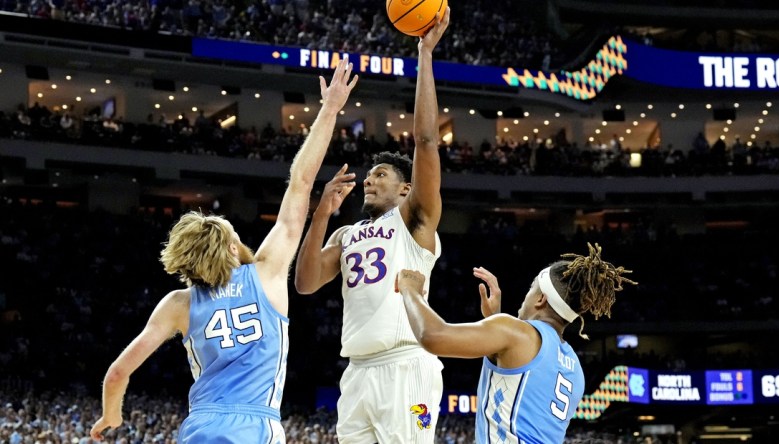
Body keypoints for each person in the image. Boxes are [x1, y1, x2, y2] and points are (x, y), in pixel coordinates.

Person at [89, 58, 359, 443]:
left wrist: (110, 415)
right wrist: (329, 110)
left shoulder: (178, 304)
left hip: (200, 425)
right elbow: (300, 183)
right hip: (256, 425)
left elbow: (117, 373)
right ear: (233, 247)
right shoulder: (266, 273)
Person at [293, 9, 451, 444]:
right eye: (370, 173)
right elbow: (305, 284)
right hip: (358, 371)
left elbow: (426, 142)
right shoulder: (346, 235)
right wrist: (321, 214)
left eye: (382, 174)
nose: (370, 178)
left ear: (406, 191)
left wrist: (424, 54)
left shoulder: (414, 222)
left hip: (407, 366)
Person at [396, 243, 636, 443]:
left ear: (541, 298)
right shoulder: (575, 367)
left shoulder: (516, 333)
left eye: (531, 288)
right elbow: (524, 406)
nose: (526, 295)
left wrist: (411, 289)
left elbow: (433, 337)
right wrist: (493, 321)